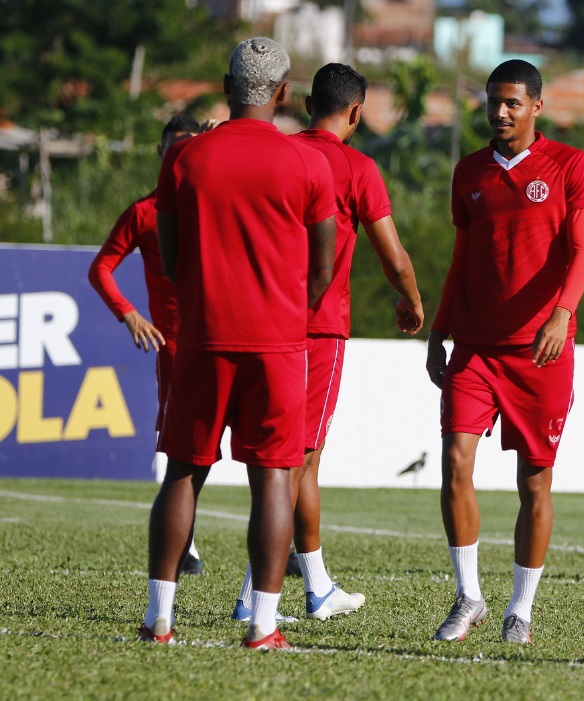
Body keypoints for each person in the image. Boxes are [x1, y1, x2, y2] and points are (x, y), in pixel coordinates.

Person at [138, 37, 337, 650]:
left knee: (183, 471)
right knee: (274, 477)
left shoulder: (186, 159)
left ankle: (159, 620)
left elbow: (169, 256)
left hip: (201, 336)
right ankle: (263, 626)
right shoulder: (309, 163)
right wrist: (286, 312)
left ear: (227, 89)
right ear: (283, 95)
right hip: (278, 342)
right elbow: (323, 266)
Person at [231, 62, 425, 623]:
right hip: (317, 328)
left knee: (297, 461)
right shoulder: (356, 167)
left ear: (305, 102)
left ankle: (317, 588)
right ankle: (252, 599)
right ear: (356, 112)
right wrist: (413, 302)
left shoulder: (280, 154)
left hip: (264, 321)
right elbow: (393, 255)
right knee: (292, 463)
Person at [425, 59, 584, 643]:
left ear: (536, 108)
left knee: (535, 483)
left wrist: (560, 314)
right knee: (455, 461)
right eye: (494, 102)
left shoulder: (571, 166)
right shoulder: (468, 172)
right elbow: (460, 258)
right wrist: (439, 329)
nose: (500, 113)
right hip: (474, 347)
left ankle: (519, 608)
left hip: (541, 352)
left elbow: (583, 252)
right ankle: (468, 596)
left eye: (512, 104)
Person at [88, 115, 208, 577]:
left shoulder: (213, 201)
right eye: (174, 147)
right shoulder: (144, 213)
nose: (181, 154)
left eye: (190, 146)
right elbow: (101, 268)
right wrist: (130, 313)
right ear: (162, 155)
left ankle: (293, 556)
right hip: (177, 346)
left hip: (230, 336)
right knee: (181, 445)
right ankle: (187, 546)